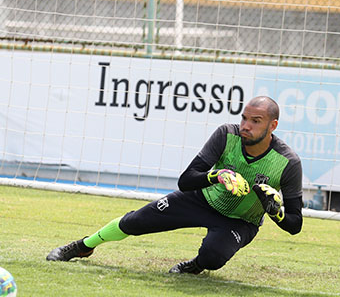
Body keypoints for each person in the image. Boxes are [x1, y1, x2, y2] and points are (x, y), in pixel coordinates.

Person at [46, 95, 303, 274]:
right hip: (203, 199)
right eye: (244, 118)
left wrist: (275, 212)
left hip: (240, 221)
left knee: (213, 258)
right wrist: (216, 176)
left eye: (255, 121)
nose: (245, 126)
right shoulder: (227, 134)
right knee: (135, 221)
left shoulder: (287, 163)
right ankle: (83, 246)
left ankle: (195, 266)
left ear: (273, 125)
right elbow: (187, 179)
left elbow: (295, 225)